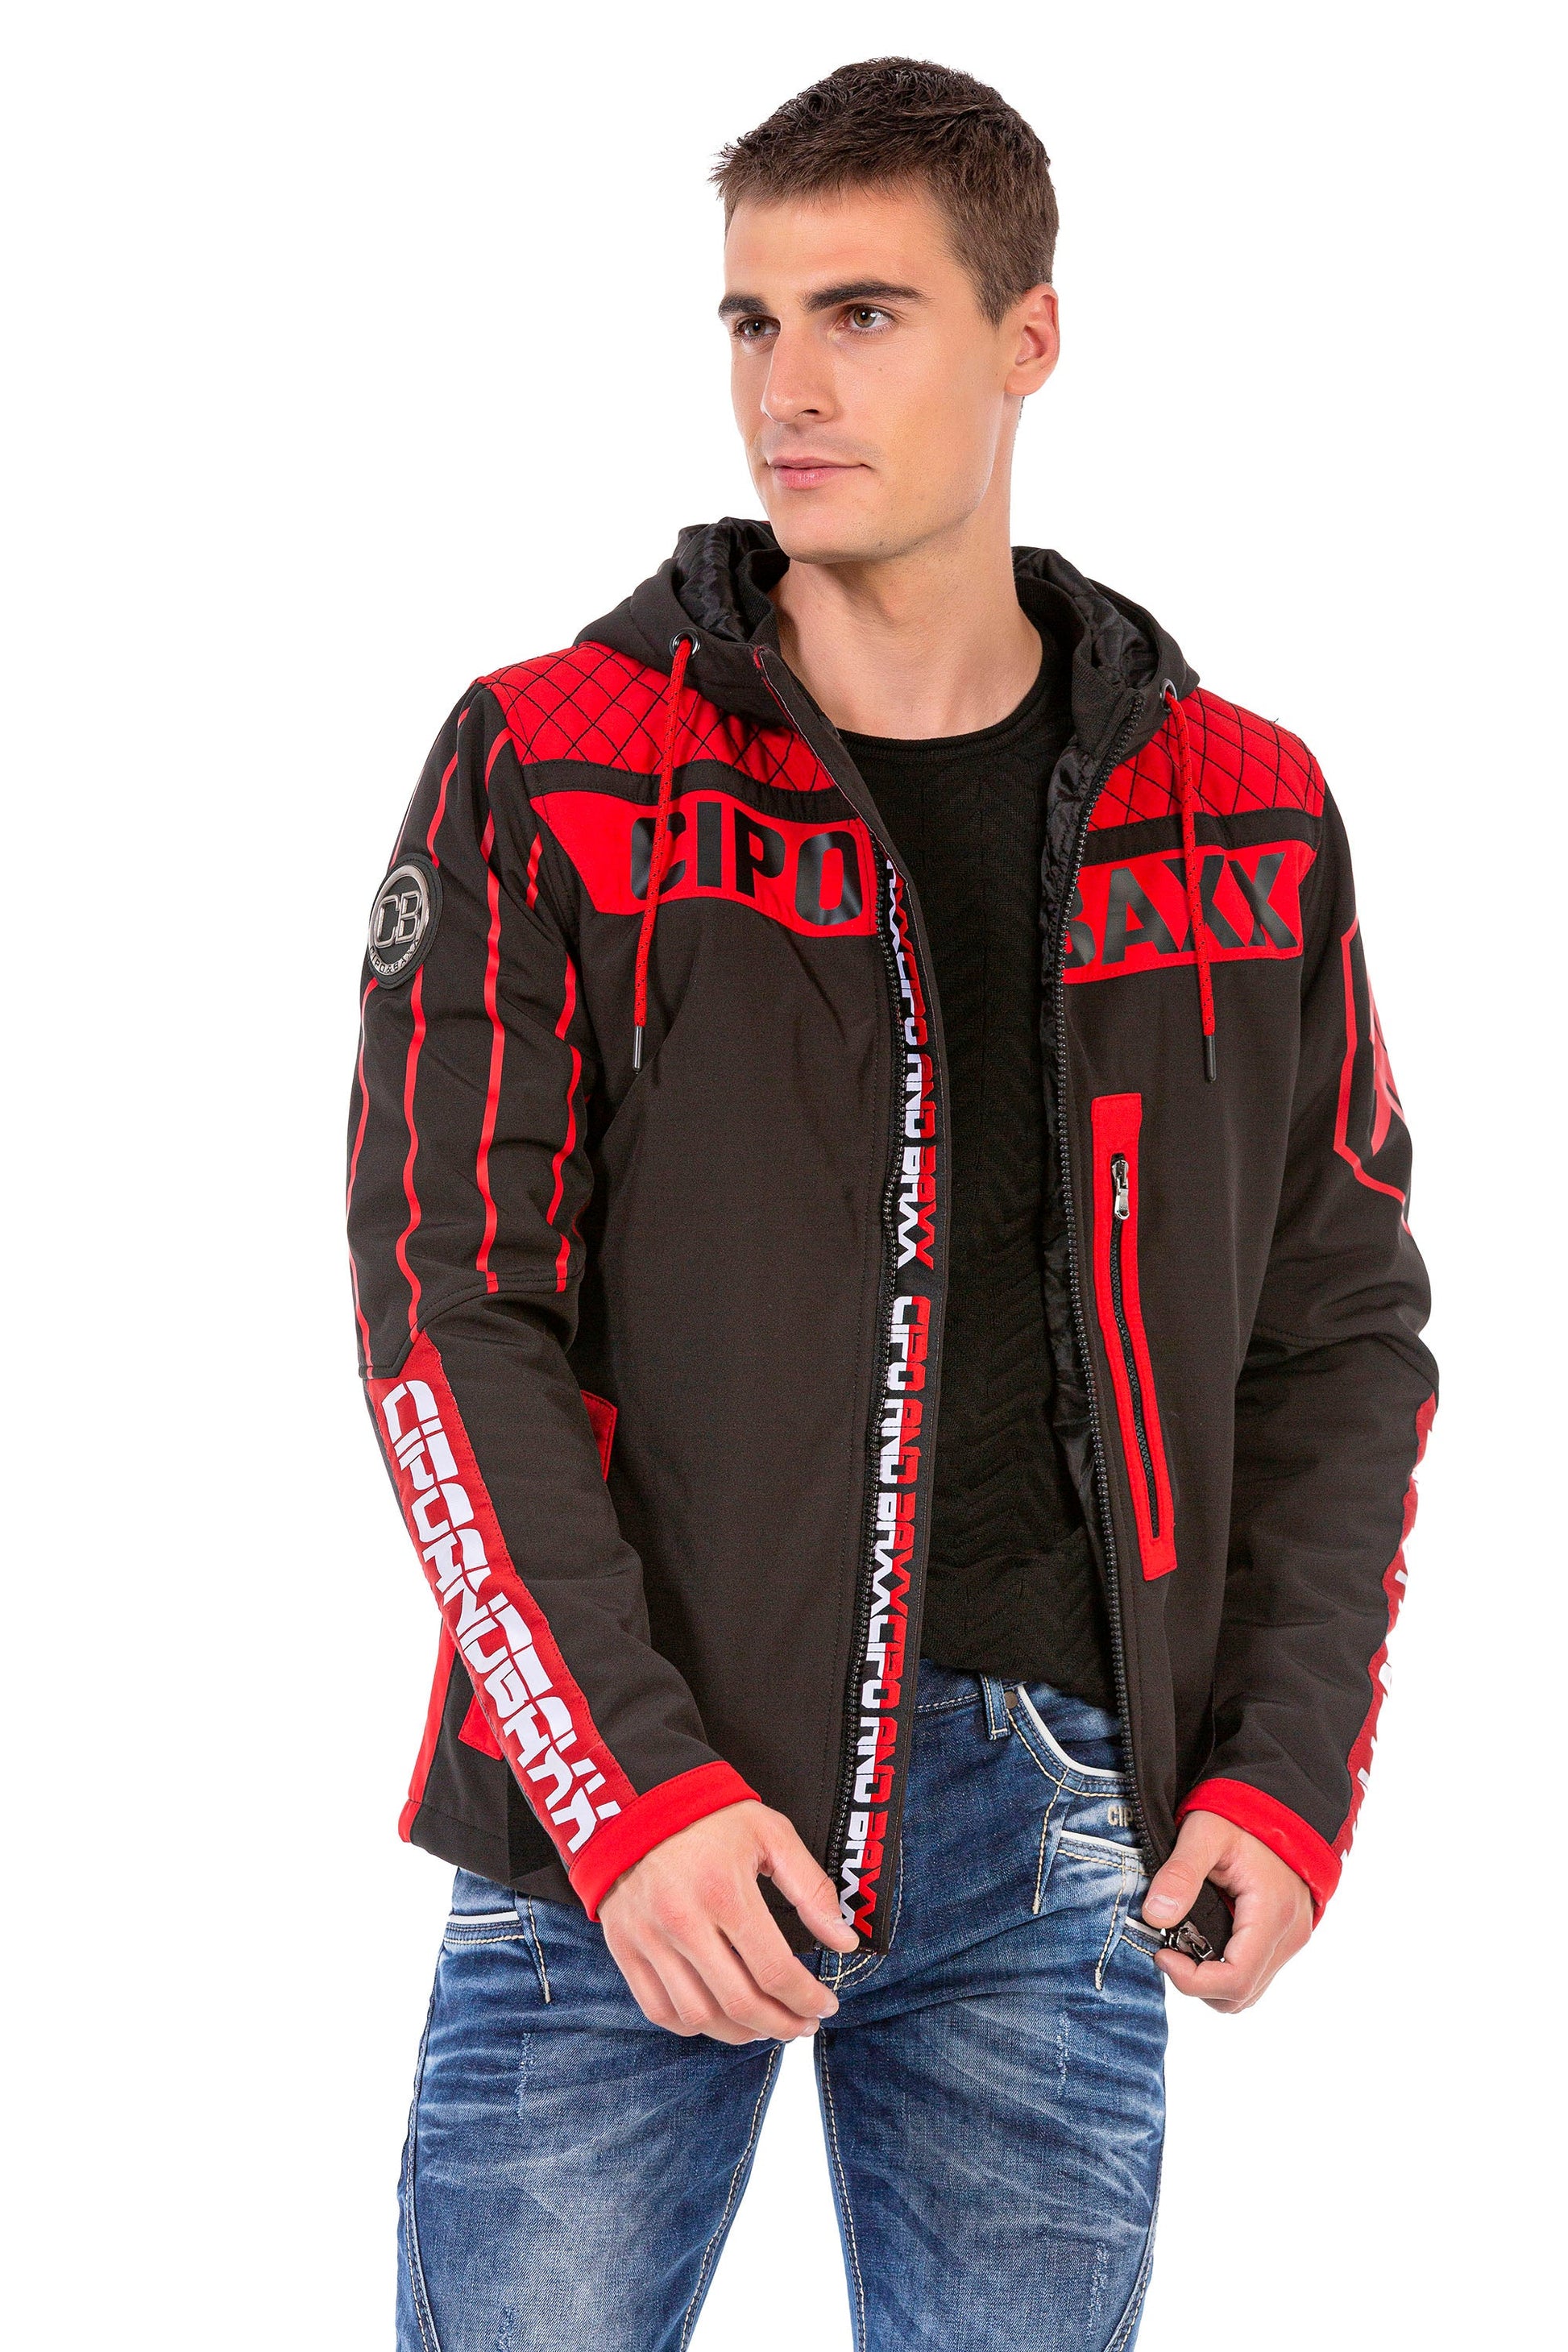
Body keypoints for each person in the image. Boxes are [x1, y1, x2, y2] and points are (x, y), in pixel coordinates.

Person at [346, 56, 1435, 2352]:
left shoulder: (1242, 809)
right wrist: (626, 1791)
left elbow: (1338, 1328)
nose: (788, 388)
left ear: (1026, 339)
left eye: (860, 315)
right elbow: (450, 1313)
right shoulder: (554, 761)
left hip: (1065, 1829)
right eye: (751, 322)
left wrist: (1281, 1768)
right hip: (635, 1819)